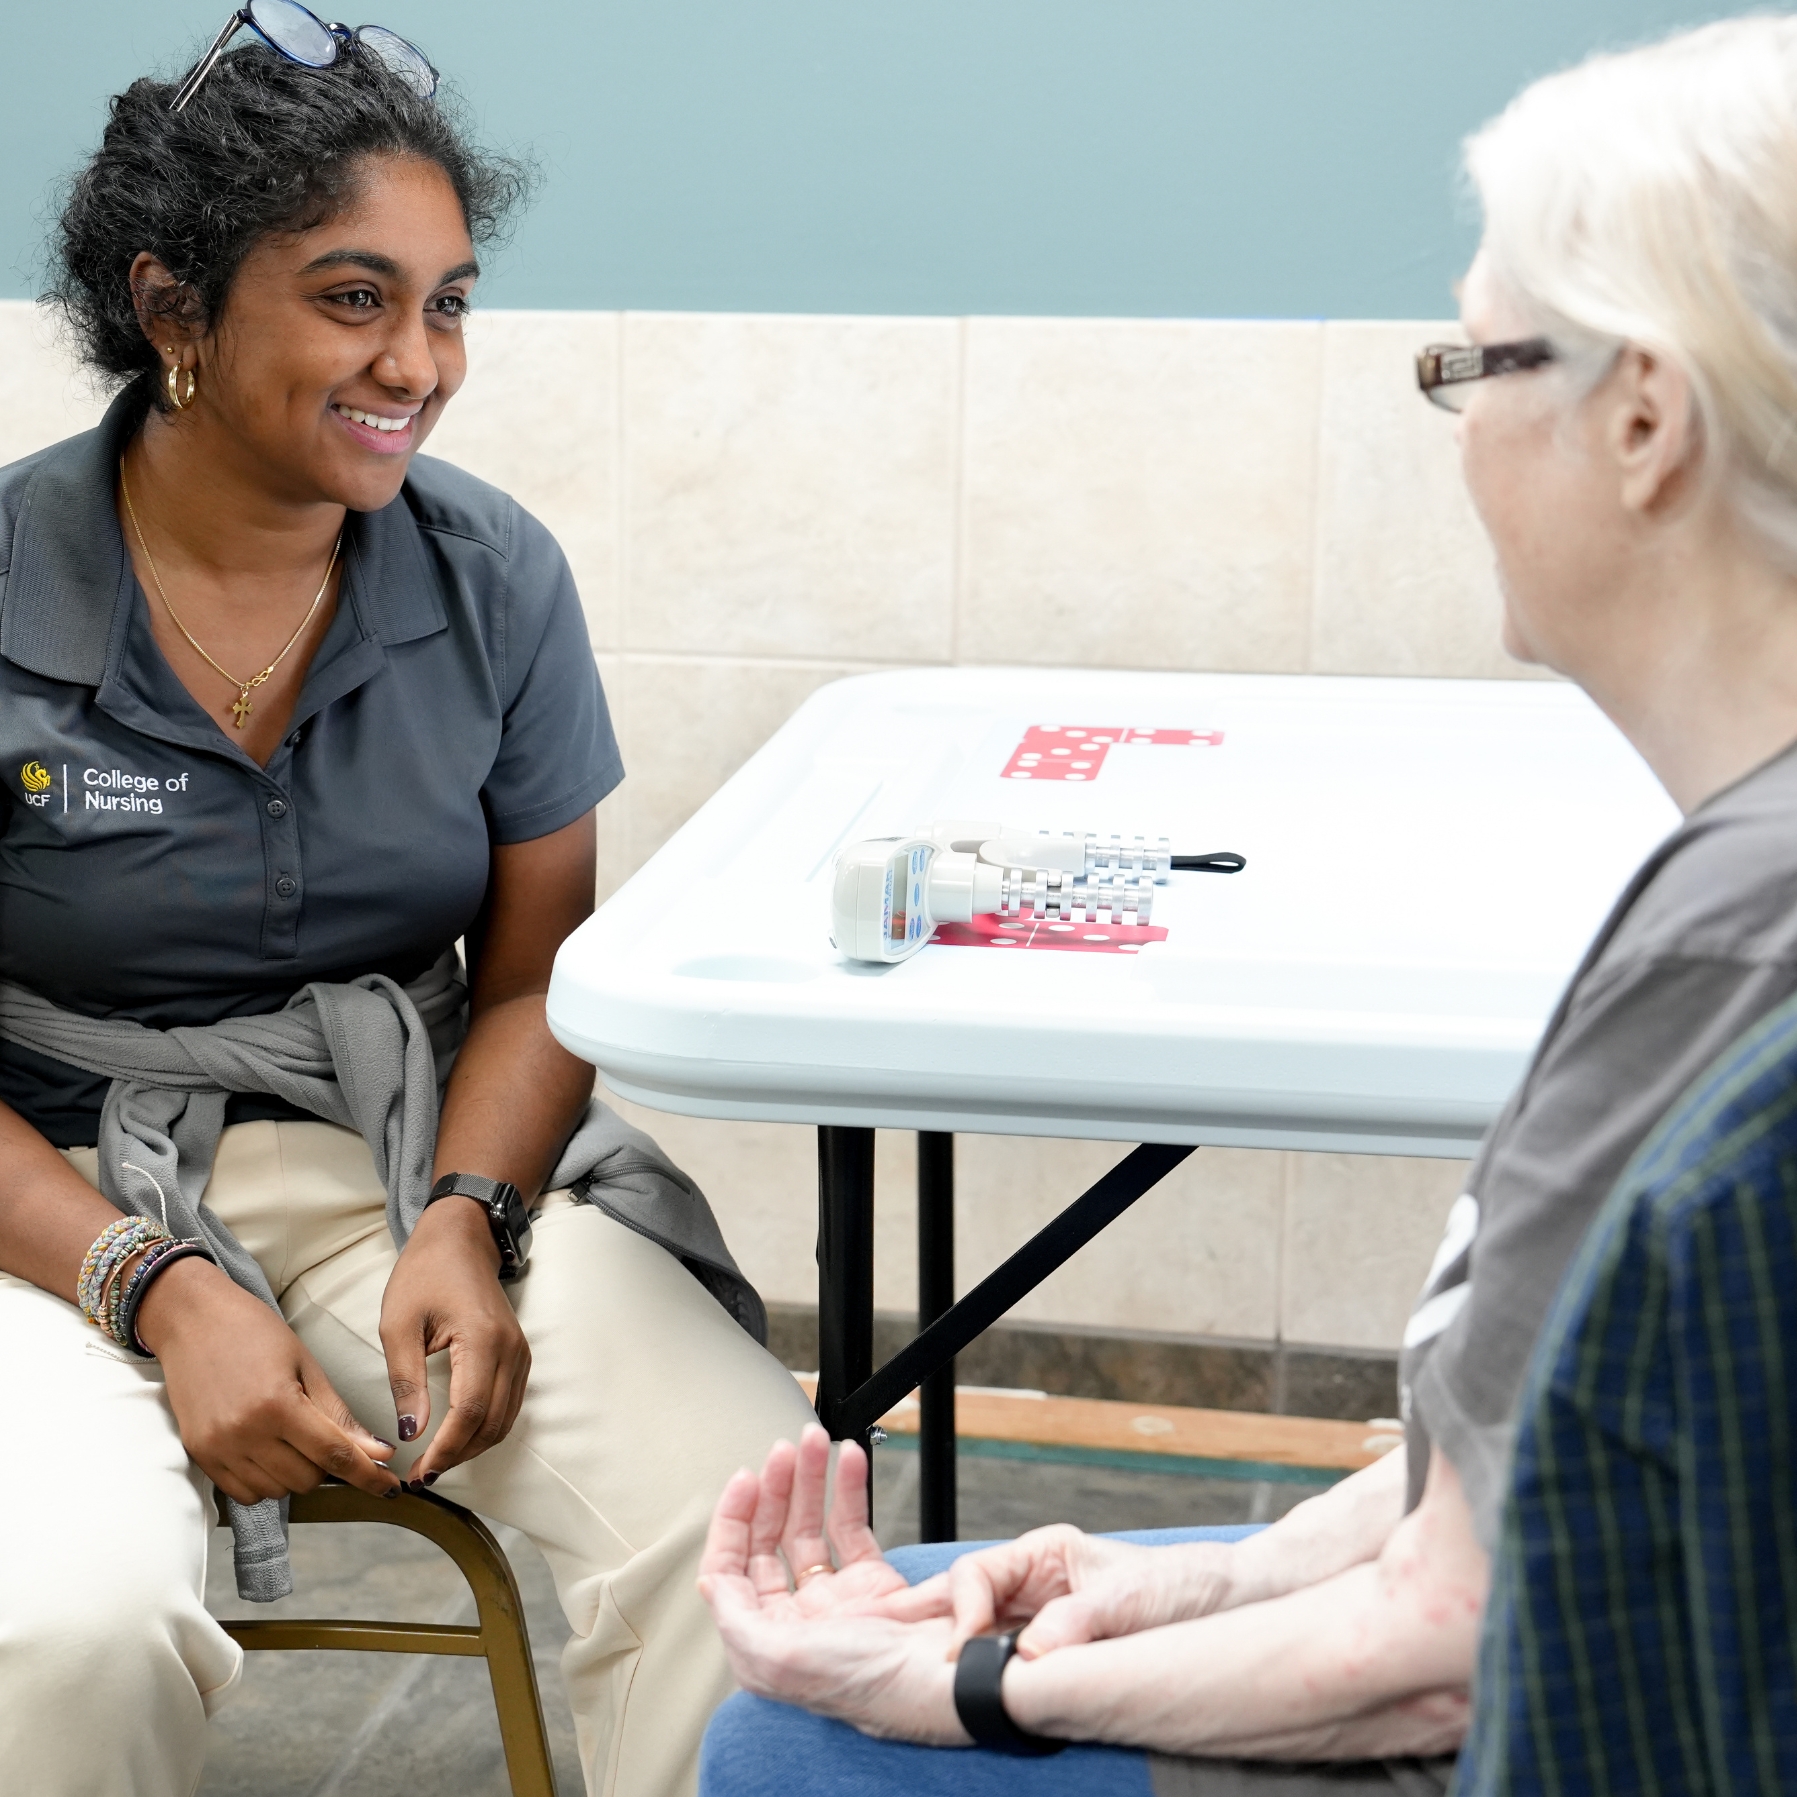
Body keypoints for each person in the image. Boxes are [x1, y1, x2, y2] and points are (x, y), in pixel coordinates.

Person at [688, 16, 1797, 1794]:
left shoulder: (1736, 943)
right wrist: (1180, 1580)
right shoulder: (1738, 876)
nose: (1456, 437)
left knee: (792, 1742)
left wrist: (975, 1702)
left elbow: (1443, 1652)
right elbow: (1510, 1454)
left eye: (1473, 360)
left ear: (1646, 416)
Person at [0, 20, 813, 1797]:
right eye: (356, 297)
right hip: (40, 1205)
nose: (417, 363)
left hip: (391, 1159)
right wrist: (149, 1282)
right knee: (55, 1625)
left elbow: (531, 982)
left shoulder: (493, 575)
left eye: (447, 303)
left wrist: (468, 1211)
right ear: (171, 311)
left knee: (753, 1528)